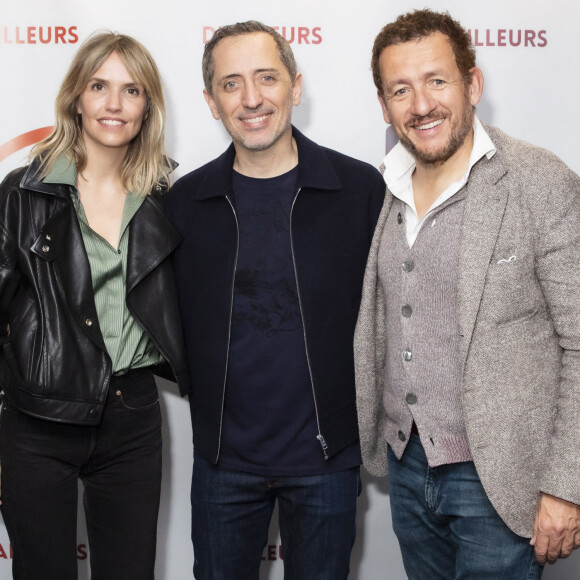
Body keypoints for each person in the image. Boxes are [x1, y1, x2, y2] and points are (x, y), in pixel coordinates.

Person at [354, 8, 580, 579]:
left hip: (499, 480)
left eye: (437, 81)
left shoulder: (538, 179)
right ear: (384, 106)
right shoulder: (384, 188)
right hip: (408, 469)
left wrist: (566, 486)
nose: (421, 104)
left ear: (472, 84)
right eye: (400, 90)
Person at [164, 20, 385, 580]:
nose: (252, 98)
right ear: (212, 102)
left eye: (267, 77)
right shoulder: (185, 203)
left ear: (296, 86)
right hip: (222, 465)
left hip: (326, 460)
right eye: (232, 83)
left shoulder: (358, 190)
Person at [0, 32, 188, 580]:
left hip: (132, 415)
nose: (113, 103)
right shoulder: (23, 193)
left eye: (130, 90)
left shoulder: (162, 197)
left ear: (146, 105)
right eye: (99, 86)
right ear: (75, 98)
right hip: (38, 416)